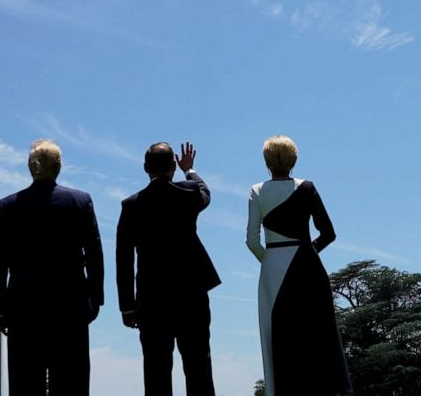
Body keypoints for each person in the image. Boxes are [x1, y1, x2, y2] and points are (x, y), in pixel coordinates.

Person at [0, 139, 104, 396]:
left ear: (31, 168)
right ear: (59, 166)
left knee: (25, 383)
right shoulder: (80, 201)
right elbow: (95, 255)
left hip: (24, 307)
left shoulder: (8, 206)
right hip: (70, 306)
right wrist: (94, 300)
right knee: (71, 383)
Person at [246, 136, 352, 396]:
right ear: (293, 160)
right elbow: (328, 233)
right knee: (316, 336)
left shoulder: (257, 191)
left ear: (267, 162)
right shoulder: (307, 187)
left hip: (273, 268)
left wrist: (270, 260)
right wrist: (306, 252)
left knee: (279, 337)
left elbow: (251, 240)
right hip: (308, 267)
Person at [116, 142, 220, 396]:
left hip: (151, 299)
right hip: (191, 295)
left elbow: (123, 259)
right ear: (173, 166)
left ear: (145, 168)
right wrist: (190, 170)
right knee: (198, 367)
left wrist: (127, 306)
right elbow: (205, 192)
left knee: (156, 371)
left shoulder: (131, 206)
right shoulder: (189, 192)